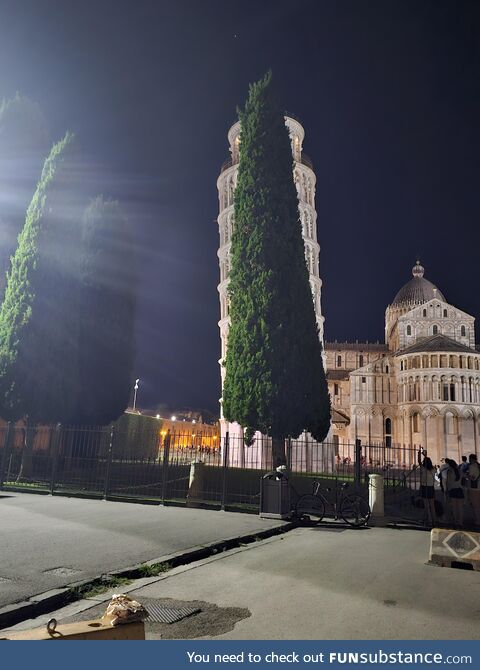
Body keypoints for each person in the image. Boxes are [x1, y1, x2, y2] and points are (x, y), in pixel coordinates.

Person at [417, 448, 436, 526]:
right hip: (431, 488)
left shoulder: (423, 469)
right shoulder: (433, 470)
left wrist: (419, 453)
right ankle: (434, 520)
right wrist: (425, 456)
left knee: (426, 505)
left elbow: (419, 461)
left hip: (425, 487)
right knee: (432, 505)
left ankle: (429, 520)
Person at [444, 458, 464, 528]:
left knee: (454, 508)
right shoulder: (460, 471)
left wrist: (447, 490)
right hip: (459, 490)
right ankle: (461, 522)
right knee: (460, 508)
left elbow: (448, 482)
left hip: (453, 490)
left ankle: (456, 522)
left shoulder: (449, 472)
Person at [467, 454, 480, 526]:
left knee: (475, 506)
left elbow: (472, 477)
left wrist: (466, 475)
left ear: (471, 459)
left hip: (474, 488)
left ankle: (477, 521)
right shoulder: (478, 465)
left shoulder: (472, 466)